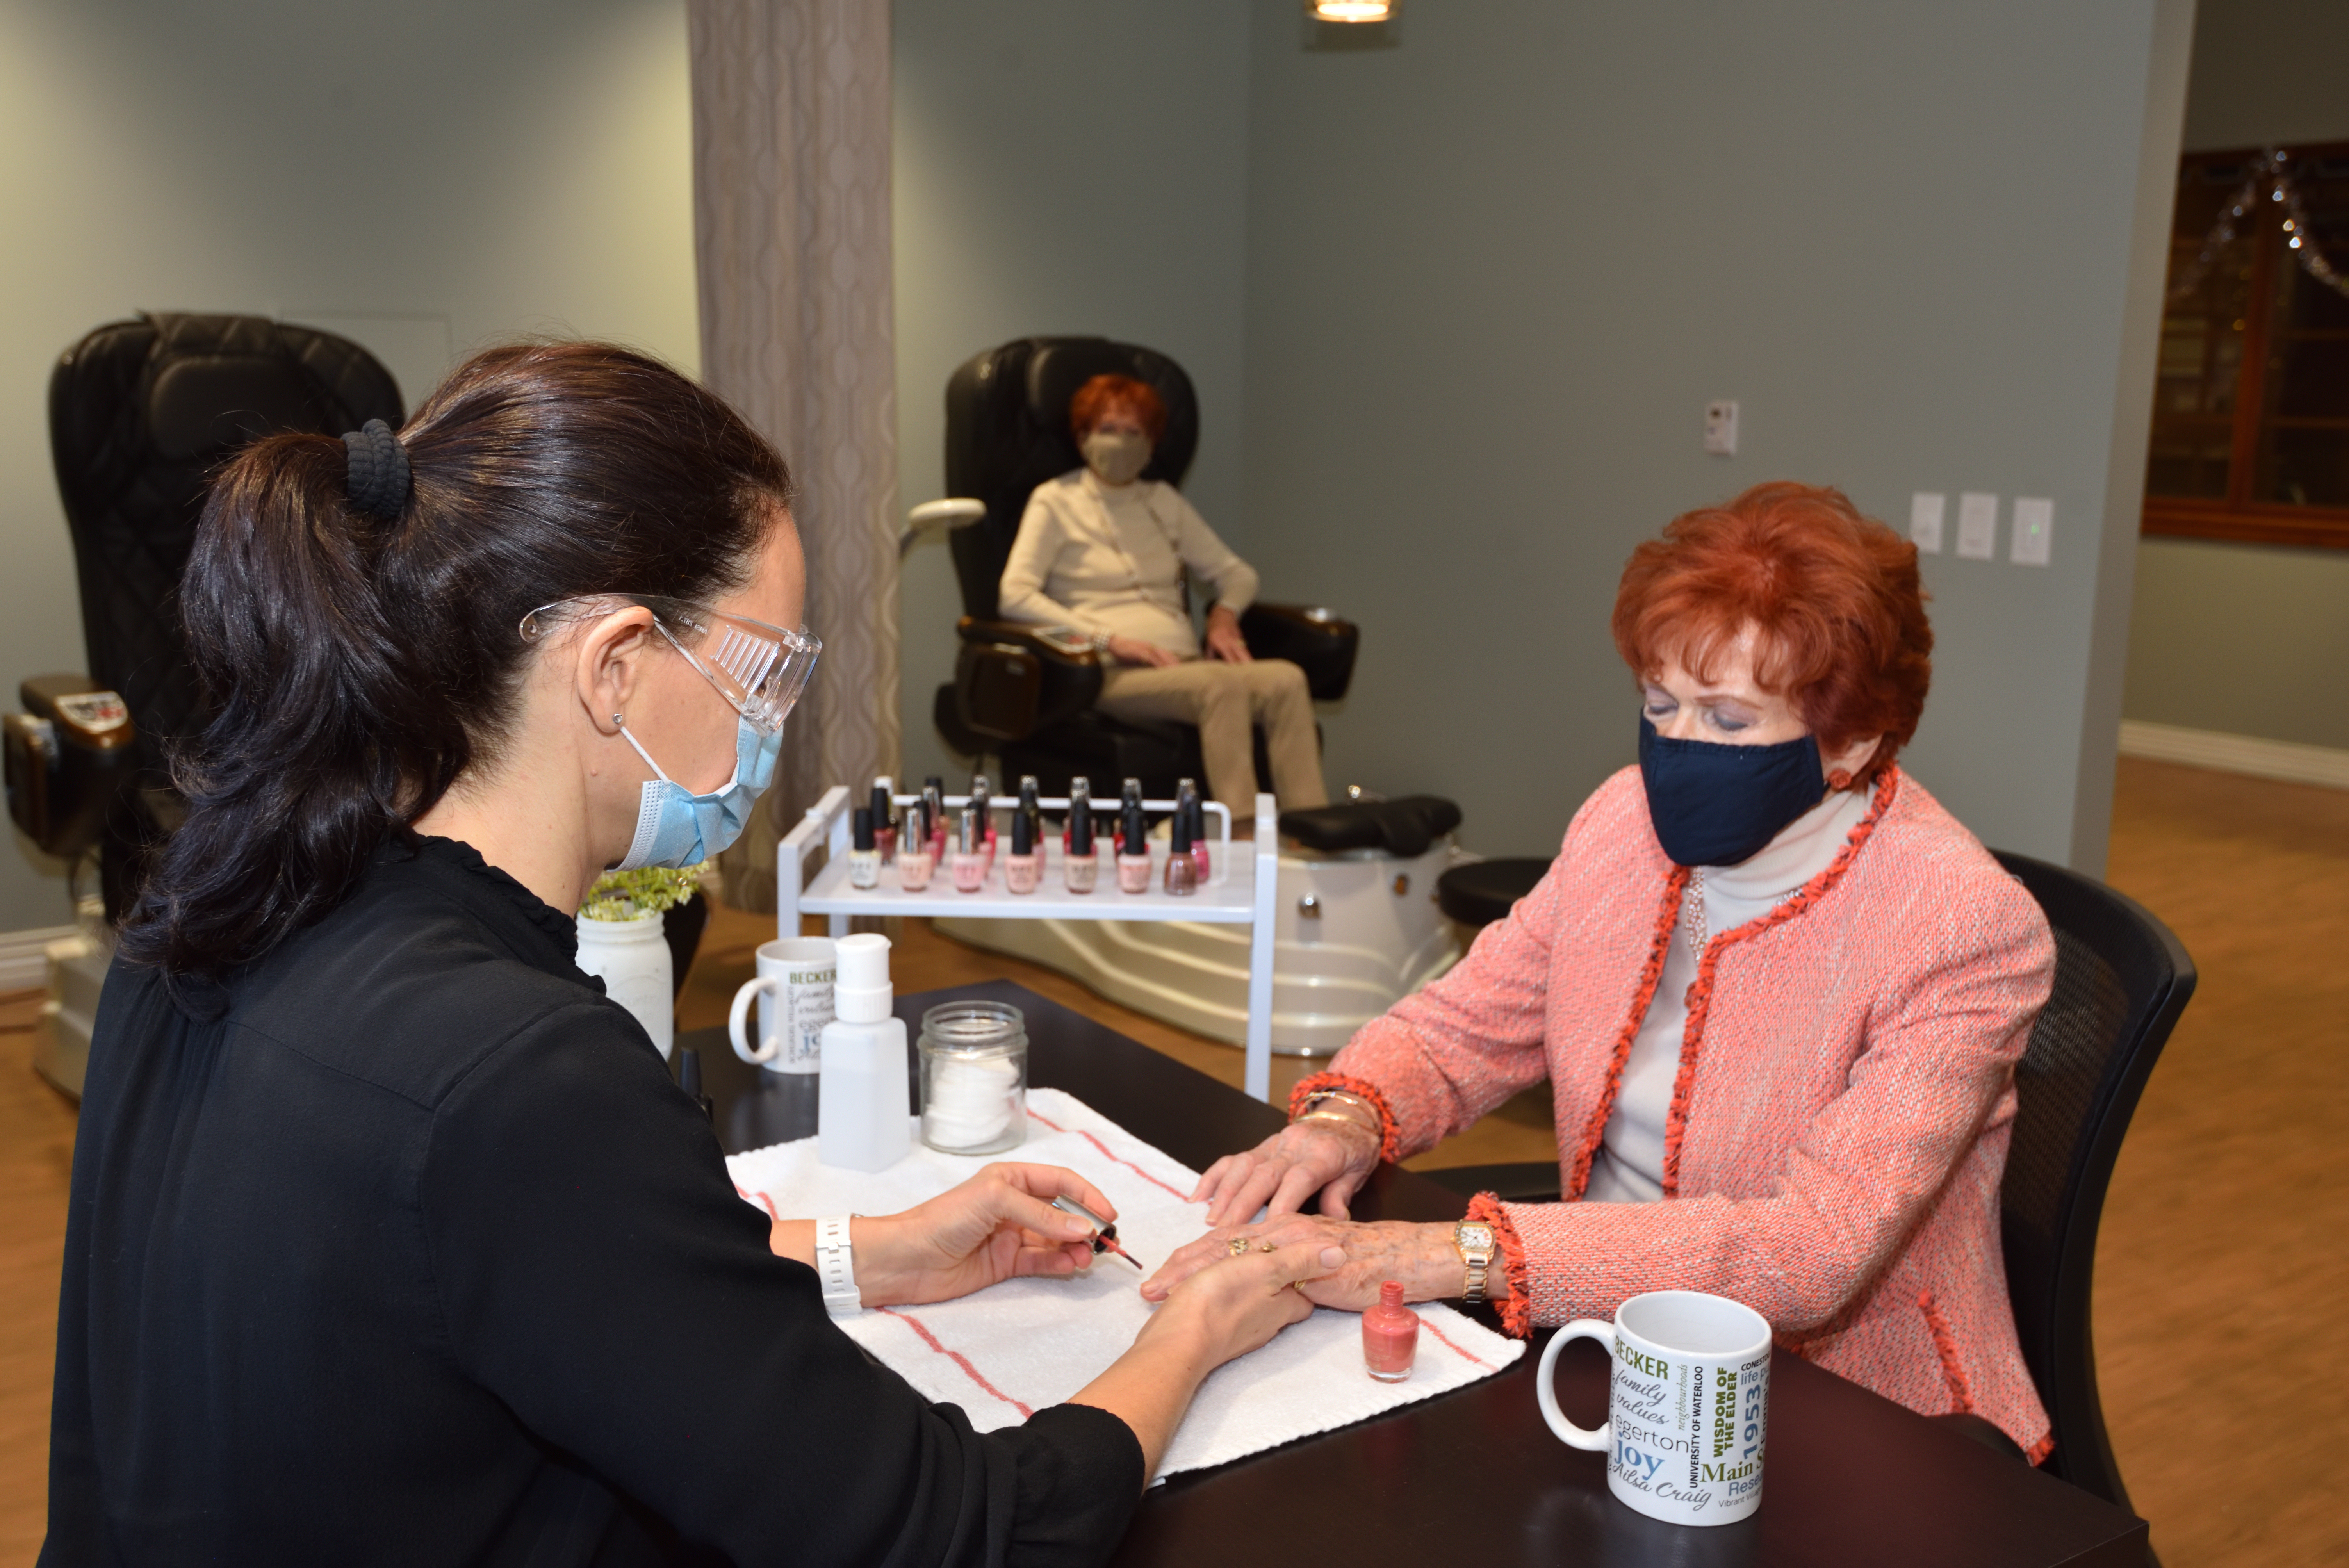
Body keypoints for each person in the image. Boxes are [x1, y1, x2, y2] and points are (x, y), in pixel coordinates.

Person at [42, 343, 1344, 1566]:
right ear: (615, 665)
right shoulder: (523, 1072)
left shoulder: (211, 912)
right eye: (768, 670)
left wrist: (867, 1252)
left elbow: (481, 1283)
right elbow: (951, 1530)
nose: (776, 719)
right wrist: (1191, 1334)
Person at [1147, 482, 2060, 1459]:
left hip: (1837, 1403)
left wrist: (1446, 1253)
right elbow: (1464, 1024)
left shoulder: (1961, 924)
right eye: (1659, 704)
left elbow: (1809, 1253)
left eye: (1728, 719)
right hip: (1593, 1326)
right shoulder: (1621, 821)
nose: (1676, 748)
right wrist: (1346, 1118)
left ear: (1854, 742)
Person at [998, 373, 1329, 811]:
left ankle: (1309, 831)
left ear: (1152, 443)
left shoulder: (1163, 501)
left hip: (1184, 668)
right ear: (1082, 439)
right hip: (1109, 672)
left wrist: (1224, 615)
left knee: (1286, 679)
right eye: (1107, 429)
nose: (1120, 442)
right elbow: (1014, 596)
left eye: (1133, 432)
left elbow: (1238, 573)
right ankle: (1244, 830)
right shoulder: (1055, 501)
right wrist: (1110, 640)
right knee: (1220, 687)